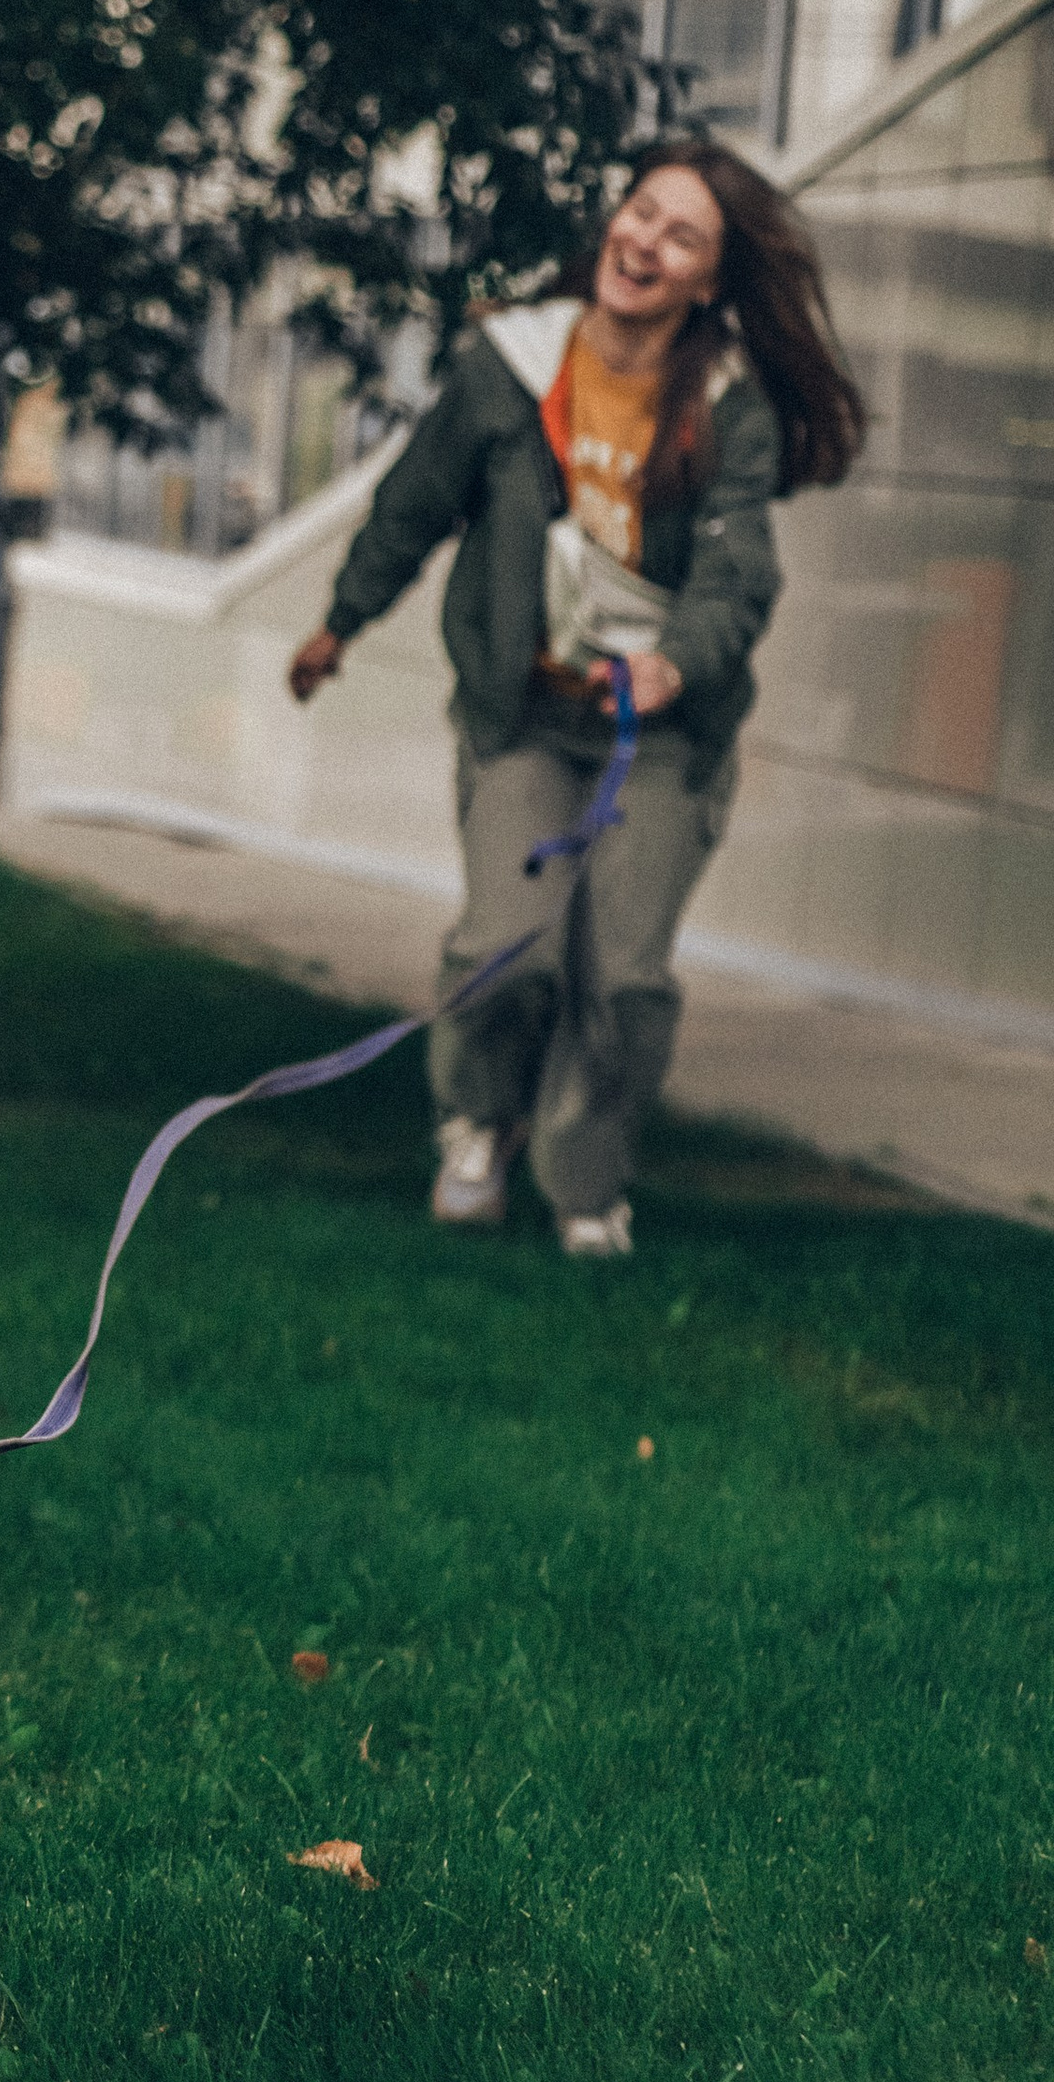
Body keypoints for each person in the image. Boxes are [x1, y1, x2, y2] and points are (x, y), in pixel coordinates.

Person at [287, 140, 864, 1255]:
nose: (644, 240)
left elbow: (739, 568)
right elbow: (415, 501)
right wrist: (340, 622)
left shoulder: (725, 402)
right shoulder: (510, 362)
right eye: (639, 212)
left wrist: (677, 659)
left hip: (661, 732)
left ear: (709, 279)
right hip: (525, 716)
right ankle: (476, 1125)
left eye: (680, 235)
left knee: (626, 974)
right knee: (508, 944)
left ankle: (585, 1182)